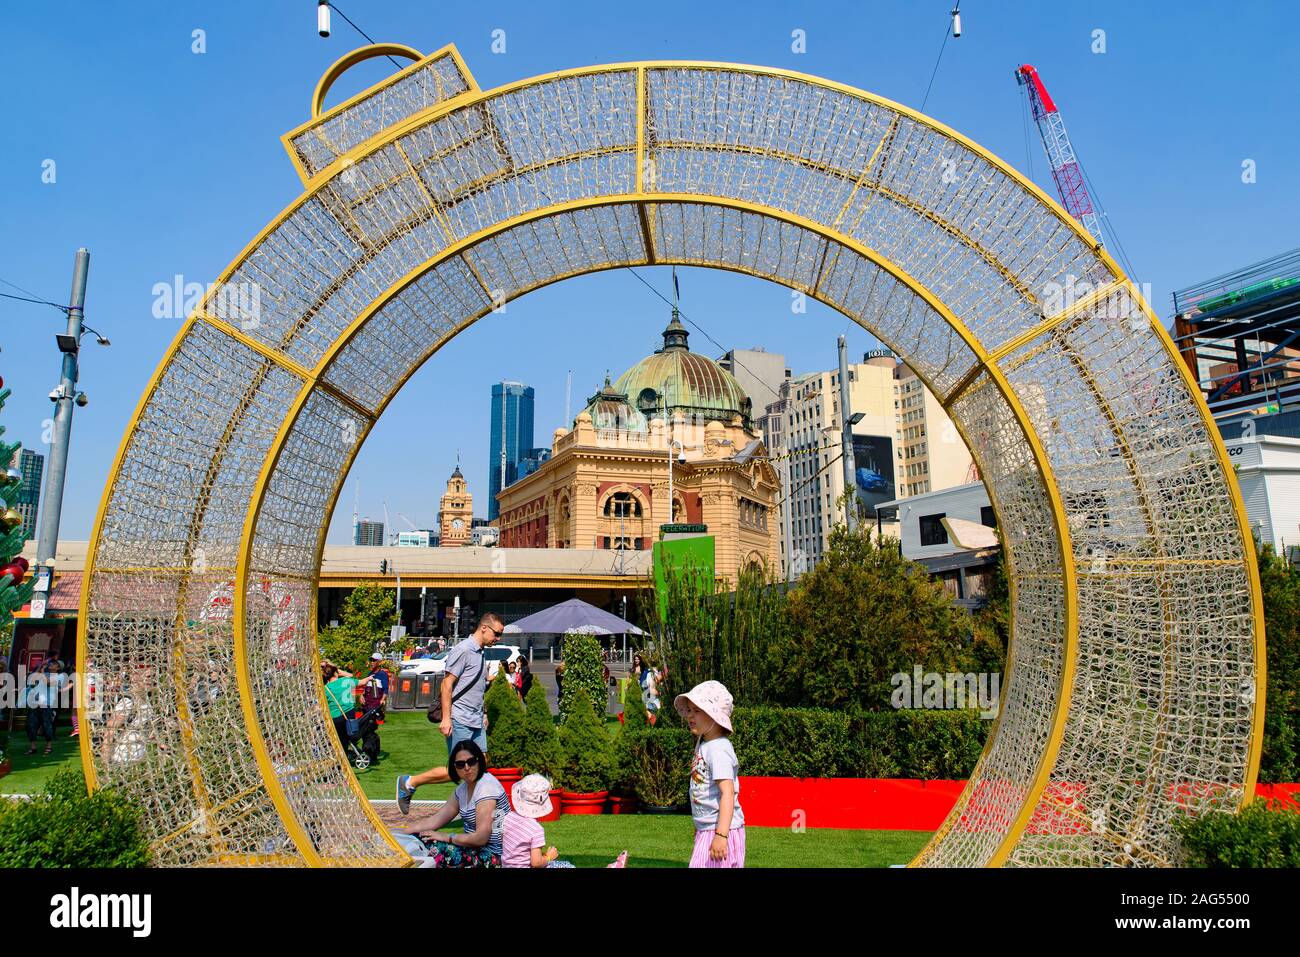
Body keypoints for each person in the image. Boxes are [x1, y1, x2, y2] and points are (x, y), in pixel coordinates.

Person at [395, 613, 505, 813]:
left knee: (480, 764)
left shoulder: (480, 652)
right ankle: (410, 782)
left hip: (475, 719)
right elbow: (447, 684)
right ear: (484, 628)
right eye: (496, 634)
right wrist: (446, 718)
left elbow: (476, 688)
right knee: (461, 769)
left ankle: (472, 810)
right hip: (460, 718)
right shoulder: (463, 650)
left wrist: (484, 714)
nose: (498, 639)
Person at [675, 680, 746, 868]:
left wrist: (721, 835)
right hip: (708, 829)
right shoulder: (705, 743)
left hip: (722, 830)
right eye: (689, 710)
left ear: (715, 716)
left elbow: (727, 793)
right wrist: (701, 826)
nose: (690, 715)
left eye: (697, 711)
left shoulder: (719, 749)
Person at [418, 740, 506, 867]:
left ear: (479, 761)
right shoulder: (462, 790)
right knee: (421, 840)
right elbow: (435, 820)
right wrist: (402, 831)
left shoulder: (487, 787)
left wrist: (447, 837)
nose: (466, 768)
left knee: (441, 850)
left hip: (495, 856)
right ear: (455, 768)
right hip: (474, 851)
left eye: (471, 762)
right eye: (460, 764)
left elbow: (481, 837)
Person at [502, 774, 571, 868]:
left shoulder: (508, 817)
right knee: (567, 866)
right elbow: (536, 863)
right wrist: (549, 857)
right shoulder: (536, 829)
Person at [322, 662, 360, 749]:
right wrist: (336, 671)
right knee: (344, 740)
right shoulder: (343, 681)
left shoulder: (325, 688)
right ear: (335, 672)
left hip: (334, 717)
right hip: (346, 714)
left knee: (338, 741)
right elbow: (350, 676)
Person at [24, 661, 56, 755]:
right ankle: (33, 747)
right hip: (34, 704)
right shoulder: (42, 674)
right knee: (31, 725)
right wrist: (40, 667)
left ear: (57, 668)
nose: (50, 665)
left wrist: (42, 671)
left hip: (46, 705)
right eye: (49, 664)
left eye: (53, 664)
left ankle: (49, 746)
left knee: (47, 726)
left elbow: (48, 683)